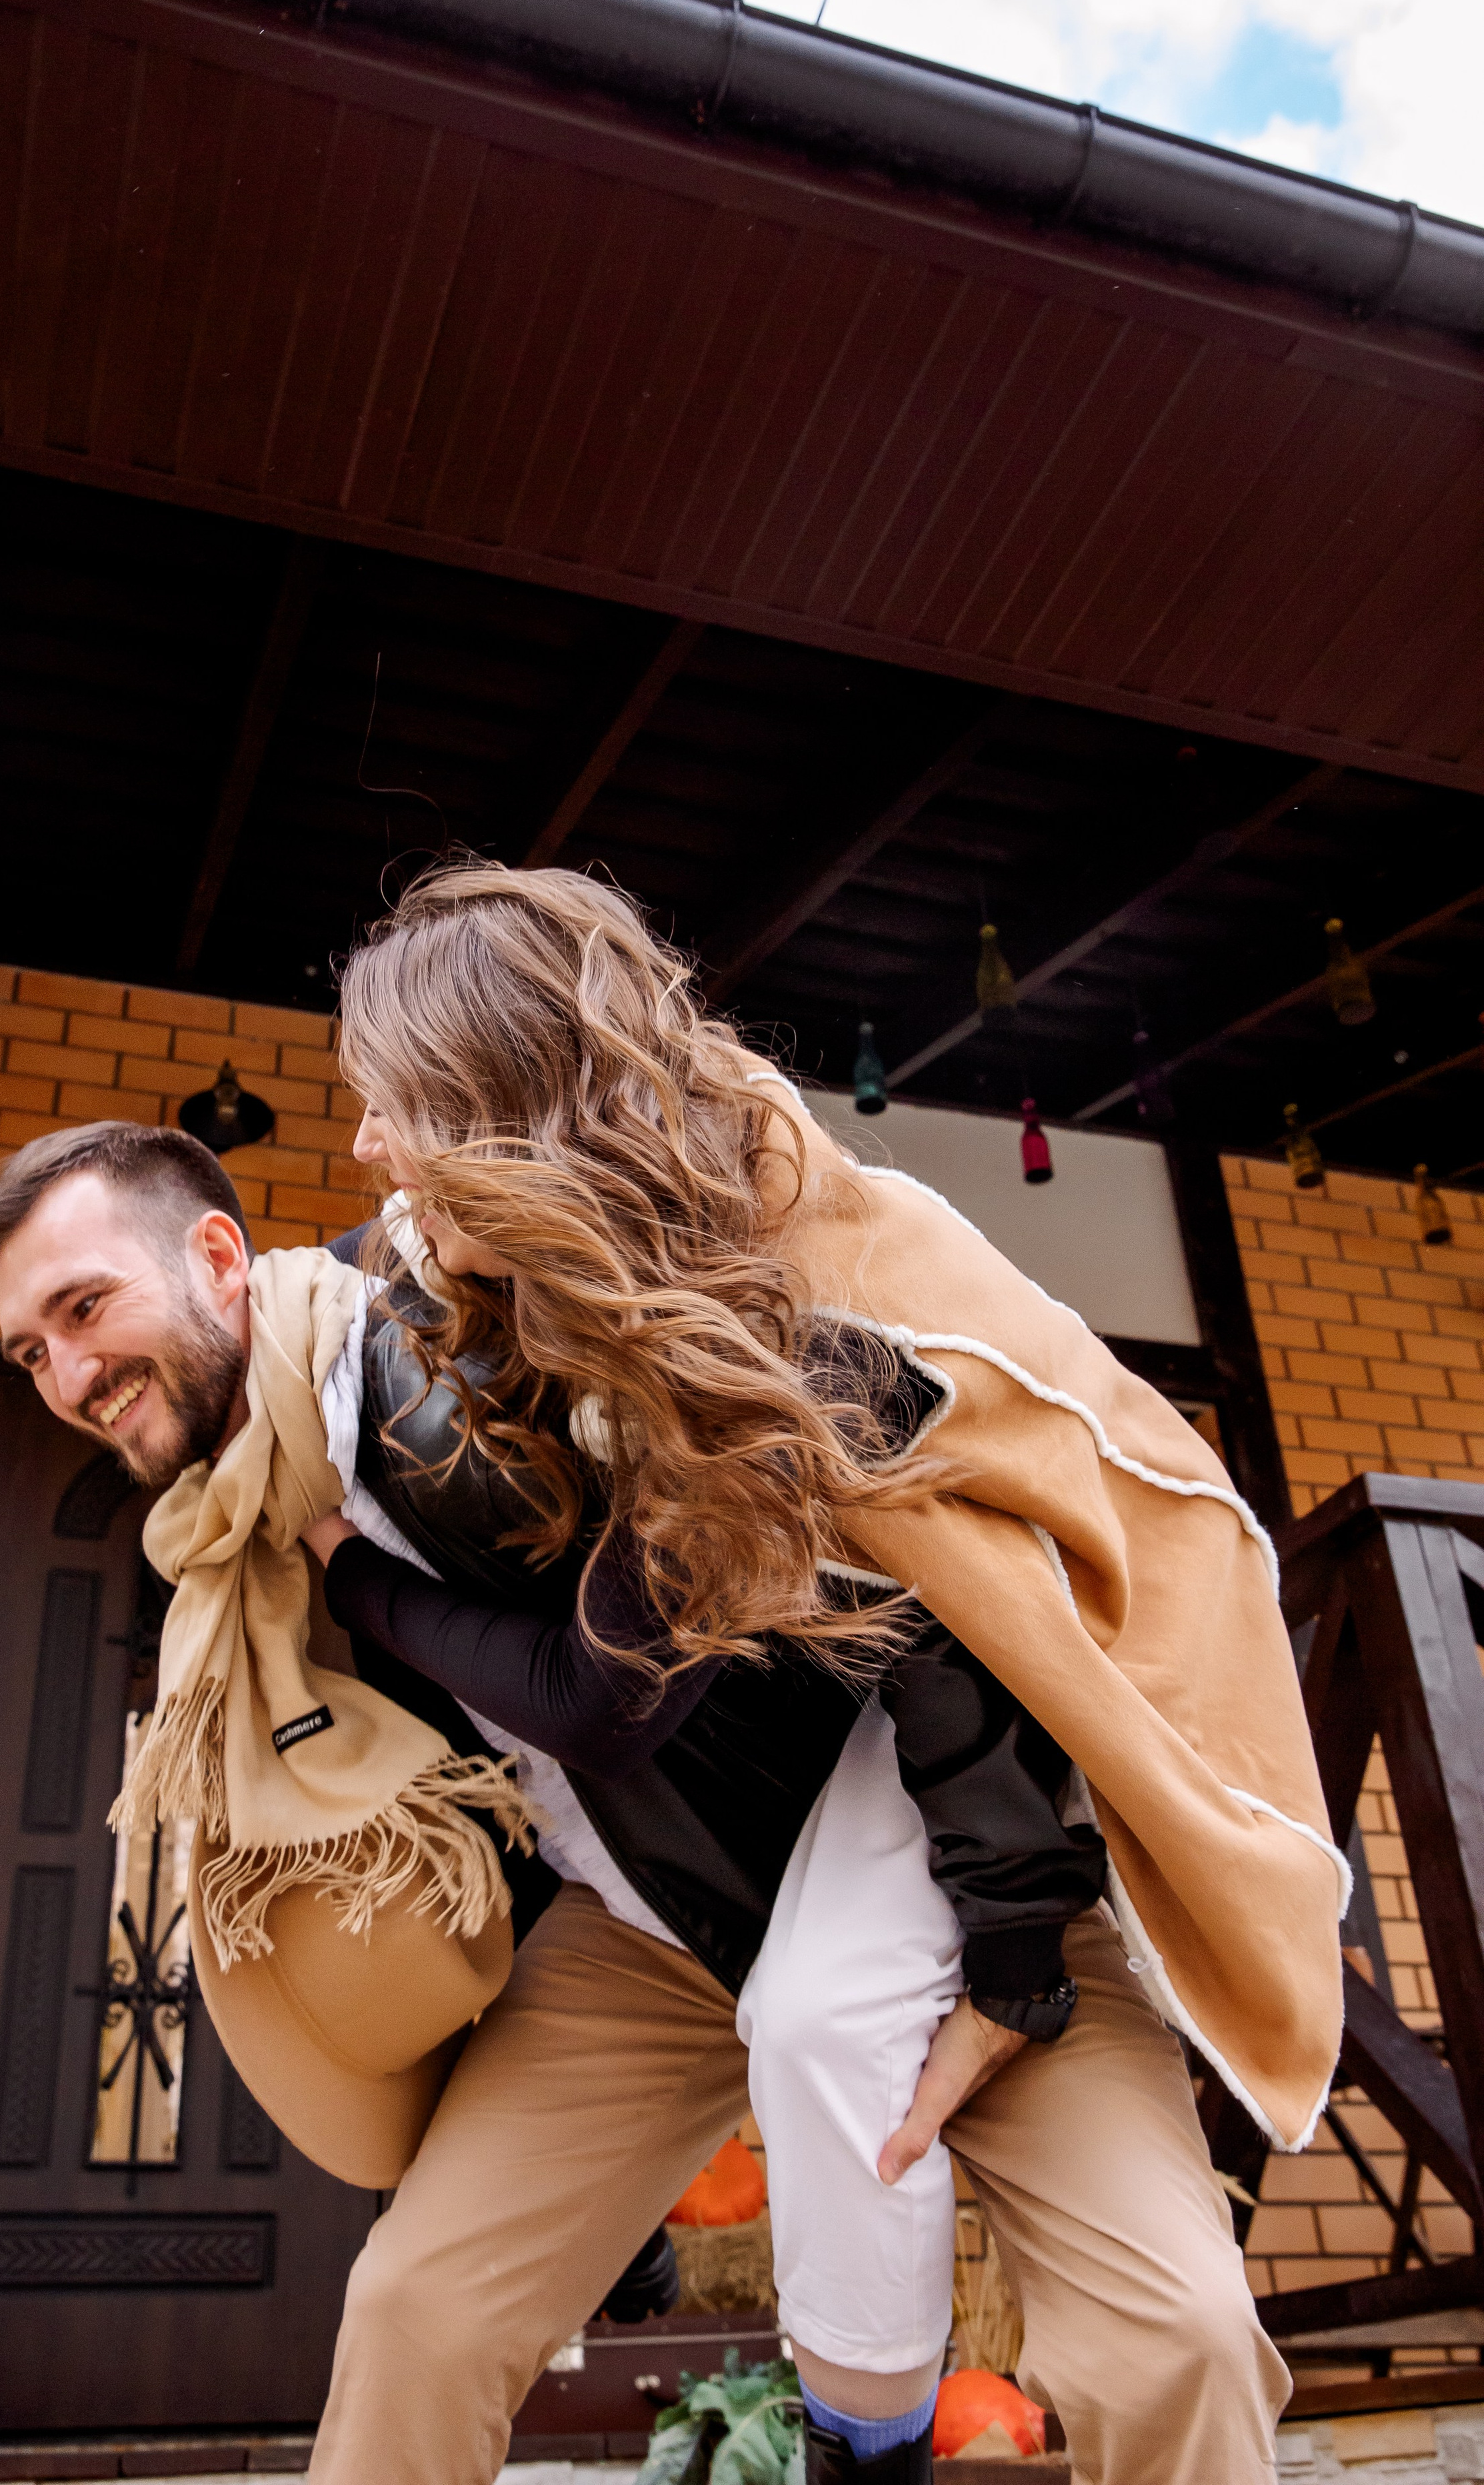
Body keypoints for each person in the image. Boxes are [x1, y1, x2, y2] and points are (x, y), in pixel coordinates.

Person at [301, 858, 1341, 2485]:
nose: (364, 1145)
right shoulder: (524, 1281)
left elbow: (962, 1633)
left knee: (1177, 2340)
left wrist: (1011, 1955)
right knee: (414, 2308)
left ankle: (872, 2443)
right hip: (669, 1917)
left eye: (393, 1104)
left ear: (506, 1112)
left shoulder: (819, 1310)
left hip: (971, 1867)